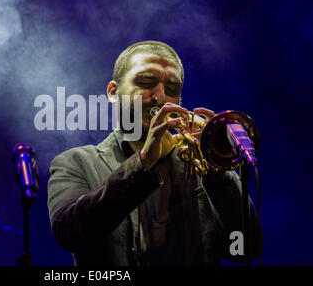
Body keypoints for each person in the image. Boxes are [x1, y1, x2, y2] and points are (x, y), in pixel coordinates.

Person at [47, 40, 263, 266]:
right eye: (146, 82)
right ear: (113, 92)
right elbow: (69, 232)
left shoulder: (201, 165)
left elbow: (244, 249)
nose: (160, 97)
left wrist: (218, 176)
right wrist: (144, 162)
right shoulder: (76, 162)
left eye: (172, 89)